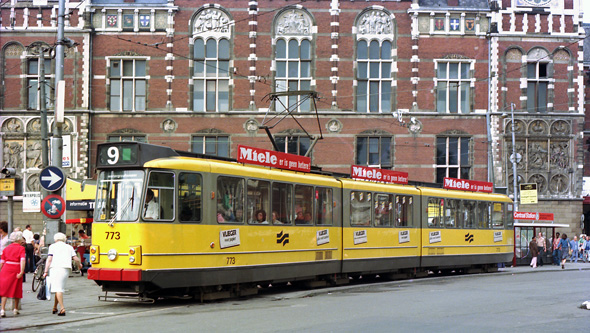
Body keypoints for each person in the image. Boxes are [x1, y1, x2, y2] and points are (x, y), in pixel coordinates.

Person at [43, 232, 82, 316]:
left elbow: (49, 259)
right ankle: (54, 307)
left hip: (55, 268)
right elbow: (76, 259)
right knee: (59, 288)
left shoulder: (52, 246)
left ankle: (62, 308)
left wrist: (45, 271)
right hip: (66, 269)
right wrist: (79, 265)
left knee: (58, 288)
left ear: (55, 239)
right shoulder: (69, 247)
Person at [0, 231, 26, 317]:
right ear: (19, 239)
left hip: (6, 269)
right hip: (16, 269)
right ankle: (15, 309)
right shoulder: (21, 248)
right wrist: (21, 271)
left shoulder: (6, 248)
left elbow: (2, 261)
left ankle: (2, 310)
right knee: (17, 288)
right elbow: (22, 260)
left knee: (5, 290)